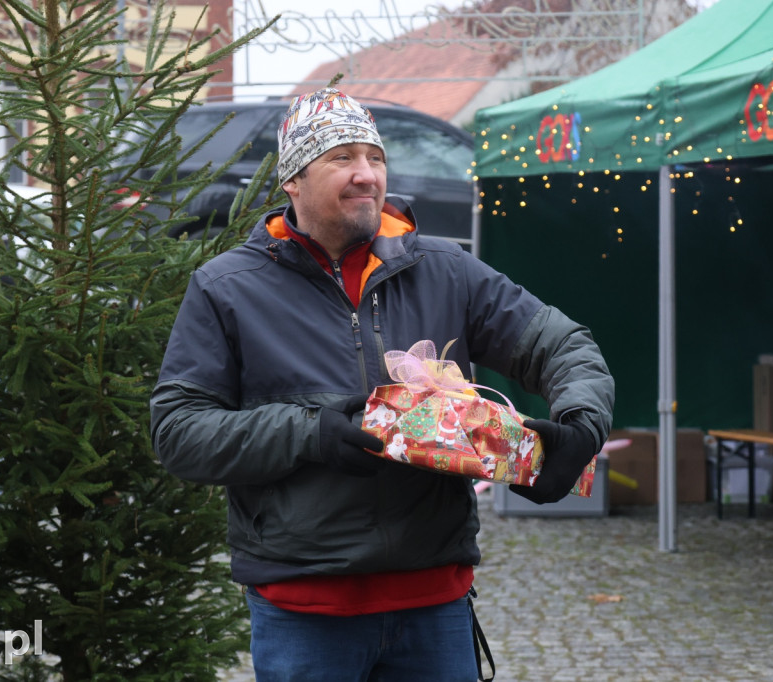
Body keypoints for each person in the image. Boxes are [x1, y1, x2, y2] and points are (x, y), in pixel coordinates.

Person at [151, 88, 615, 680]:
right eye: (341, 158)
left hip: (435, 607)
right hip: (306, 613)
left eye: (375, 157)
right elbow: (179, 432)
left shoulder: (446, 270)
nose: (366, 174)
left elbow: (564, 346)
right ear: (292, 179)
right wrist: (311, 433)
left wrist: (582, 423)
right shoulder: (227, 288)